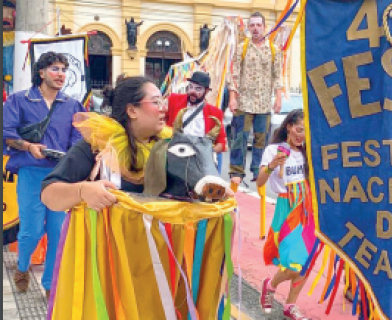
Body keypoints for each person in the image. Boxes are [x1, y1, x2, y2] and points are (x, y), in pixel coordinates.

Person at [3, 52, 85, 297]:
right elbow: (6, 133)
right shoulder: (19, 100)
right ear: (41, 73)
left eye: (63, 70)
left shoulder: (72, 104)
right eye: (55, 69)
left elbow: (79, 137)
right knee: (31, 231)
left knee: (58, 233)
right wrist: (28, 146)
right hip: (30, 173)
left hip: (61, 176)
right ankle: (22, 267)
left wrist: (74, 158)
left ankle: (50, 284)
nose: (61, 74)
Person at [41, 76, 169, 213]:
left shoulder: (171, 148)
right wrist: (82, 190)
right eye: (156, 102)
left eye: (163, 101)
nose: (165, 108)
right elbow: (48, 194)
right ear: (132, 110)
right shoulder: (98, 145)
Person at [256, 110, 316, 320]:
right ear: (289, 126)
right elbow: (260, 183)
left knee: (306, 262)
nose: (302, 136)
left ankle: (290, 305)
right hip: (287, 206)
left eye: (306, 132)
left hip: (308, 209)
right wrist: (272, 165)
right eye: (299, 130)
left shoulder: (308, 152)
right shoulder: (273, 150)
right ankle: (270, 285)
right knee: (293, 263)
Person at [229, 11, 284, 185]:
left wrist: (278, 98)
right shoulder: (241, 48)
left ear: (264, 27)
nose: (255, 28)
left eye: (258, 25)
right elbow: (234, 75)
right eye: (252, 25)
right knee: (240, 138)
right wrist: (232, 97)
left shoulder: (274, 50)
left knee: (262, 139)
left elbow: (278, 76)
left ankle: (257, 170)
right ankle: (236, 171)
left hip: (263, 104)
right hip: (244, 102)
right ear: (248, 27)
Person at [165, 71, 227, 153]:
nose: (192, 91)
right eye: (190, 87)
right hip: (174, 151)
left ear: (207, 91)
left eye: (198, 89)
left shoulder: (215, 112)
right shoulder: (173, 100)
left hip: (199, 156)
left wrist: (209, 152)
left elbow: (221, 142)